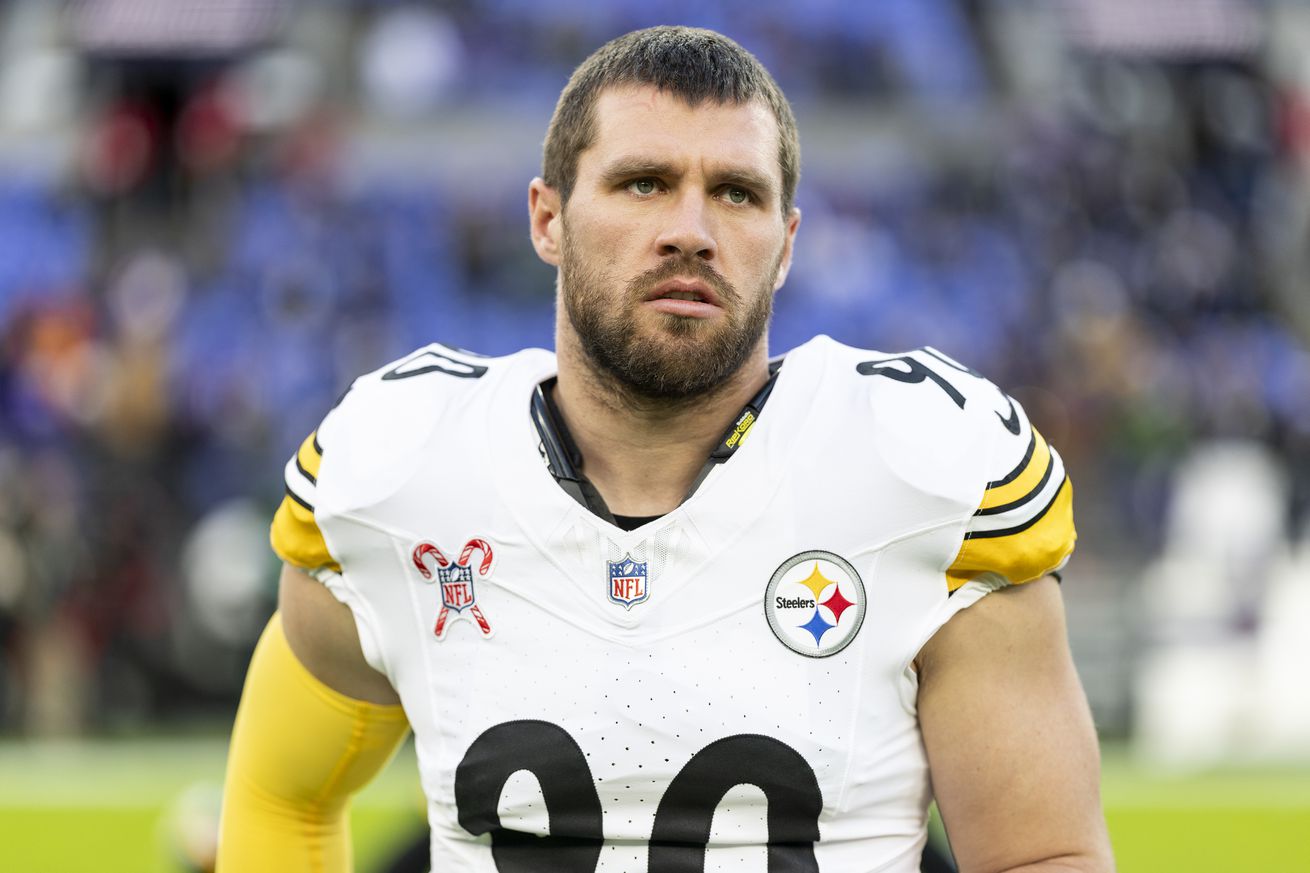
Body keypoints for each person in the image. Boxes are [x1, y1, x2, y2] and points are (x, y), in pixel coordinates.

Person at [217, 26, 1114, 873]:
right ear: (547, 220)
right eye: (643, 182)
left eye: (737, 192)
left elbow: (1042, 854)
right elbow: (278, 797)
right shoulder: (404, 469)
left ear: (787, 243)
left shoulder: (917, 470)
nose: (692, 228)